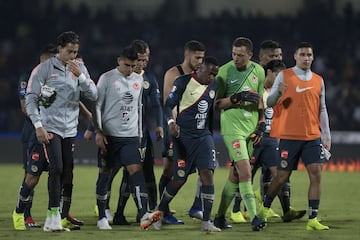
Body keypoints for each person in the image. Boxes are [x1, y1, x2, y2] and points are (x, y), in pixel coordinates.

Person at [14, 31, 98, 232]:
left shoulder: (79, 68)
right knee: (55, 169)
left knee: (67, 171)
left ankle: (58, 216)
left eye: (75, 52)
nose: (72, 56)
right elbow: (32, 100)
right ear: (59, 49)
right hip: (49, 127)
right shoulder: (43, 70)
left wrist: (82, 76)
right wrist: (38, 125)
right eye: (69, 51)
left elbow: (93, 94)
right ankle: (48, 217)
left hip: (69, 129)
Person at [259, 42, 331, 231]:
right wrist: (279, 94)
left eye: (309, 55)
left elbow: (322, 108)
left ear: (313, 58)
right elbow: (270, 102)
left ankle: (313, 219)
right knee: (282, 177)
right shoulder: (285, 76)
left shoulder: (318, 80)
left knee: (316, 175)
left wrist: (326, 134)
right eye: (303, 55)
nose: (306, 58)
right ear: (295, 57)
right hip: (290, 136)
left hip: (312, 136)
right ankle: (265, 208)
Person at [94, 45, 161, 230]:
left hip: (131, 137)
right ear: (119, 61)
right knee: (105, 175)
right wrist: (98, 131)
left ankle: (143, 214)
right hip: (110, 136)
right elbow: (97, 106)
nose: (131, 69)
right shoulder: (107, 78)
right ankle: (101, 216)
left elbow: (139, 110)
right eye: (127, 65)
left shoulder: (139, 79)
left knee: (136, 172)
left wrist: (140, 135)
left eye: (133, 66)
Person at [153, 56, 221, 232]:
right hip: (183, 138)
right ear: (199, 68)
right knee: (179, 179)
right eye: (210, 73)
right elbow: (168, 105)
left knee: (207, 174)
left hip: (204, 137)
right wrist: (170, 124)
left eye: (215, 74)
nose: (212, 77)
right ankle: (159, 212)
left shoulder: (214, 85)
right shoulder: (182, 82)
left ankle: (206, 222)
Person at [213, 37, 266, 231]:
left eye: (240, 55)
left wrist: (261, 122)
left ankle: (219, 217)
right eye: (234, 54)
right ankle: (254, 218)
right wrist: (237, 98)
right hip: (232, 129)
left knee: (235, 176)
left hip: (250, 129)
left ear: (250, 55)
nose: (236, 58)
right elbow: (216, 104)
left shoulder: (258, 71)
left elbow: (261, 99)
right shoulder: (224, 72)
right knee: (245, 170)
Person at [159, 40, 206, 224]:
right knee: (170, 170)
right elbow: (167, 103)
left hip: (196, 131)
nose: (201, 61)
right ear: (187, 56)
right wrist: (173, 124)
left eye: (203, 57)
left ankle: (197, 206)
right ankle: (163, 211)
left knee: (207, 166)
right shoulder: (173, 74)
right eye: (197, 57)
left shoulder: (201, 75)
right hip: (175, 130)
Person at [13, 43, 58, 230]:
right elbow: (25, 108)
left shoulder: (55, 77)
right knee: (31, 175)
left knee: (58, 173)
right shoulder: (28, 77)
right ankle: (25, 214)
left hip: (54, 132)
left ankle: (60, 213)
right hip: (33, 132)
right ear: (44, 59)